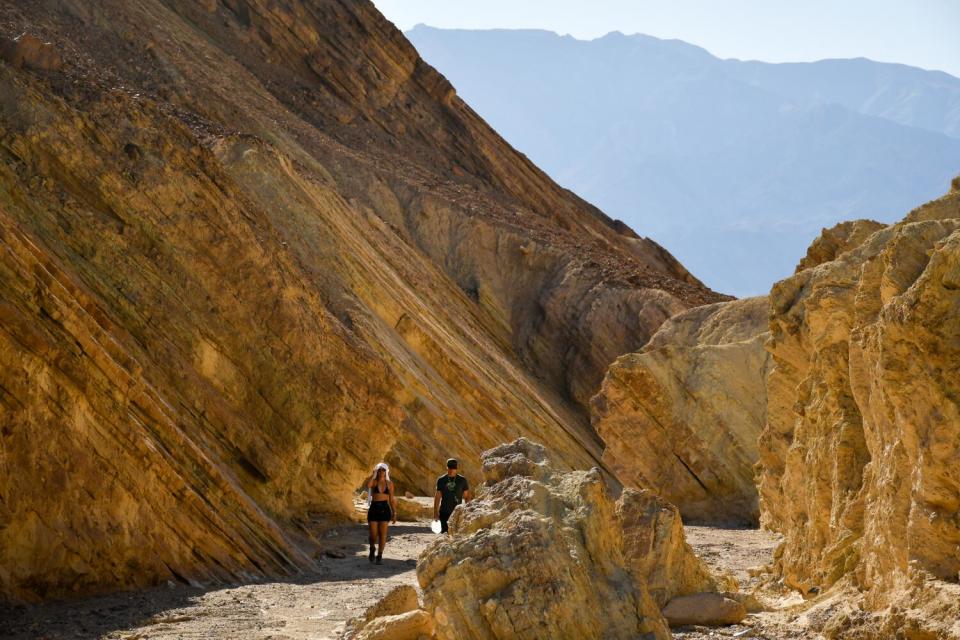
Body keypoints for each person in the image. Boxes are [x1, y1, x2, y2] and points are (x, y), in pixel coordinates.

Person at [366, 462, 396, 564]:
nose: (381, 472)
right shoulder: (374, 482)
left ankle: (379, 555)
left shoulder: (390, 484)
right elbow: (368, 485)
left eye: (383, 470)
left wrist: (394, 512)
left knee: (383, 535)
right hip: (374, 508)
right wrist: (373, 474)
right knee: (373, 535)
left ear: (386, 471)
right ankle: (372, 548)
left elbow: (391, 499)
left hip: (385, 509)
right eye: (379, 470)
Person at [433, 458, 471, 534]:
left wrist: (468, 512)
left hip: (458, 513)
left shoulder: (462, 480)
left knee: (456, 536)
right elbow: (437, 497)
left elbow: (467, 497)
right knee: (444, 535)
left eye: (453, 468)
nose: (451, 470)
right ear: (447, 467)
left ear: (456, 468)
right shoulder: (441, 480)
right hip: (444, 512)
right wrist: (435, 513)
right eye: (450, 468)